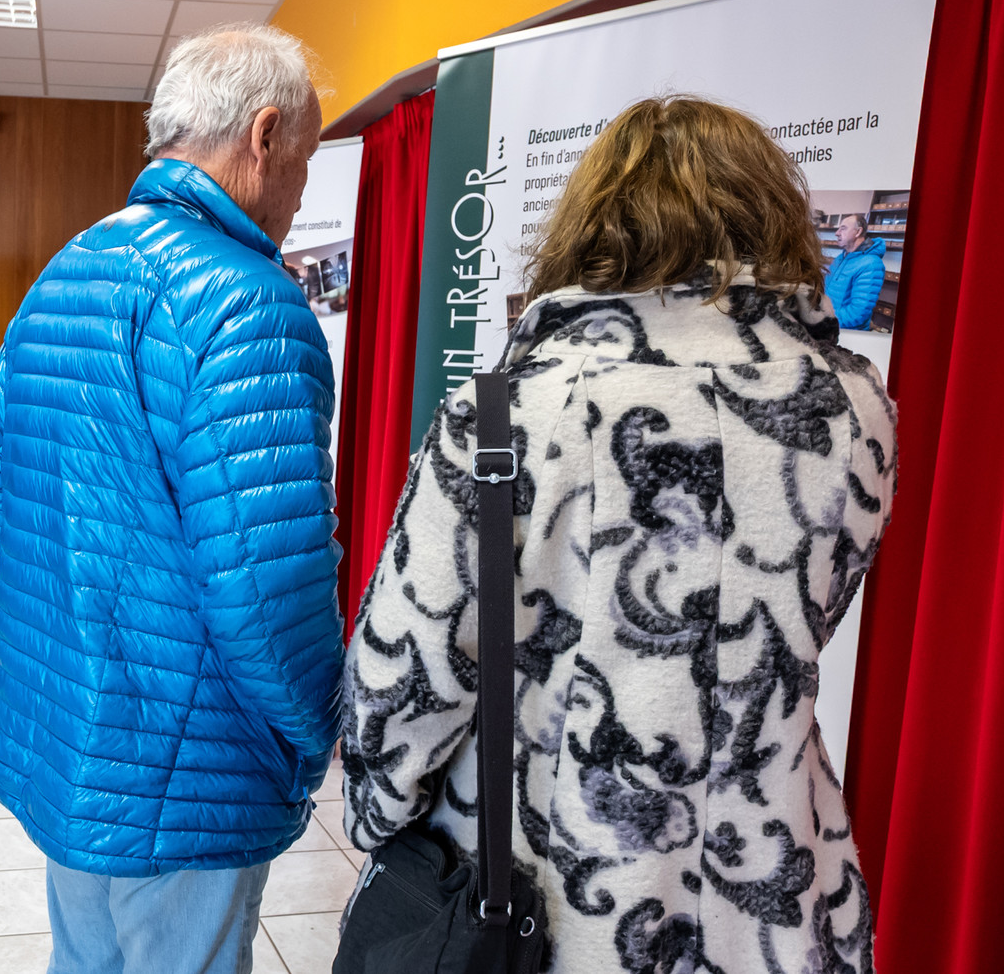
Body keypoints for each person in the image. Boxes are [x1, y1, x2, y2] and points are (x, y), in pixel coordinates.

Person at [341, 97, 895, 973]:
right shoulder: (853, 407)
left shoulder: (505, 414)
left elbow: (407, 673)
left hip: (546, 901)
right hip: (778, 891)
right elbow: (813, 616)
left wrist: (376, 816)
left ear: (592, 225)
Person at [0, 22, 344, 974]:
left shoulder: (69, 266)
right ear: (264, 135)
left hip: (68, 730)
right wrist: (317, 733)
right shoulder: (249, 301)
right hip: (192, 761)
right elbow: (268, 582)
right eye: (303, 159)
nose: (301, 192)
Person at [825, 212, 886, 329]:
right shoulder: (840, 258)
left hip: (845, 331)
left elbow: (857, 314)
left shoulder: (871, 264)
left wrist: (822, 320)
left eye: (843, 229)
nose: (836, 233)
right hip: (830, 326)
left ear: (858, 232)